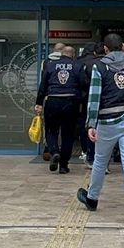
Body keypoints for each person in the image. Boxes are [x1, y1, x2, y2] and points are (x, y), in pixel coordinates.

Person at [77, 33, 124, 223]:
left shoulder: (100, 66)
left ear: (105, 49)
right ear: (123, 46)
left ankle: (92, 198)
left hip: (107, 121)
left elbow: (94, 97)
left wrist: (91, 124)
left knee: (100, 161)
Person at [35, 43, 80, 175]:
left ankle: (54, 152)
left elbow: (43, 85)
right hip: (70, 101)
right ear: (73, 55)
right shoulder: (77, 66)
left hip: (52, 100)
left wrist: (39, 103)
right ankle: (64, 165)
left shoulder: (50, 65)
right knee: (68, 135)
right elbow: (83, 84)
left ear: (61, 54)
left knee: (50, 131)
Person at [76, 42, 104, 166]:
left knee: (87, 126)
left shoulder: (81, 63)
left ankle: (88, 152)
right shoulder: (106, 64)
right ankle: (102, 157)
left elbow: (80, 82)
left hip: (86, 99)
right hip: (105, 100)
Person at [38, 43, 66, 162]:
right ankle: (59, 148)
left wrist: (39, 101)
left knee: (49, 126)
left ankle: (49, 148)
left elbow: (42, 82)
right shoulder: (68, 62)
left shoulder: (45, 63)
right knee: (63, 125)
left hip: (49, 97)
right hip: (66, 98)